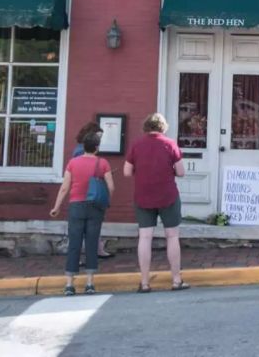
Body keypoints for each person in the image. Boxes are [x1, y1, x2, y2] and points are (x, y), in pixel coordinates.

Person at [123, 113, 189, 293]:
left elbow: (127, 172)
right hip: (167, 195)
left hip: (143, 196)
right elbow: (181, 172)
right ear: (163, 127)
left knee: (144, 237)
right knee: (172, 236)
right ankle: (176, 280)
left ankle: (144, 282)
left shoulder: (137, 145)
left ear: (146, 127)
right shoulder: (170, 144)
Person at [49, 131, 115, 295]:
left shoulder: (72, 163)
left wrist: (56, 207)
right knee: (92, 243)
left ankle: (70, 283)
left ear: (83, 147)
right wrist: (106, 201)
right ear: (97, 148)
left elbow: (65, 187)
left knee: (74, 243)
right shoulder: (103, 163)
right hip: (95, 206)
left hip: (76, 206)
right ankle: (90, 283)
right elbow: (111, 186)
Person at [72, 121, 113, 258]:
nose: (99, 140)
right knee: (87, 226)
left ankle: (97, 249)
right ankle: (90, 254)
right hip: (86, 193)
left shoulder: (80, 150)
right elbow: (83, 171)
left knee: (94, 223)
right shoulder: (80, 152)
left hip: (88, 191)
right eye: (98, 137)